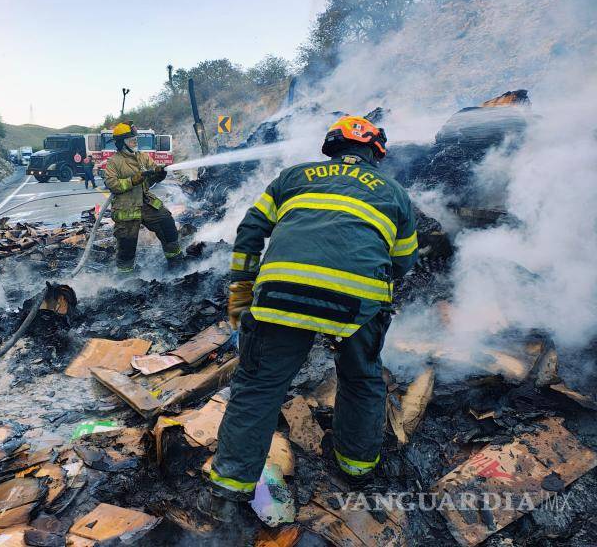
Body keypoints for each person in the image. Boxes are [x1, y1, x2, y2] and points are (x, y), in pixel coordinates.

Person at [203, 115, 418, 519]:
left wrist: (241, 290)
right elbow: (404, 263)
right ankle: (357, 467)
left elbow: (250, 231)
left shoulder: (292, 177)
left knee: (259, 384)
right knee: (361, 378)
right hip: (357, 305)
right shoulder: (395, 193)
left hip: (281, 295)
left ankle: (230, 485)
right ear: (375, 151)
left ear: (332, 147)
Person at [103, 121, 184, 273]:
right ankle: (125, 279)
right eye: (131, 139)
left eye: (135, 138)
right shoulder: (114, 162)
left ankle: (176, 263)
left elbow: (151, 178)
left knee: (167, 225)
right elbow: (111, 184)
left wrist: (159, 174)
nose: (135, 141)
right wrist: (132, 181)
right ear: (121, 143)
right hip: (126, 207)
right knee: (127, 246)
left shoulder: (142, 157)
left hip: (147, 203)